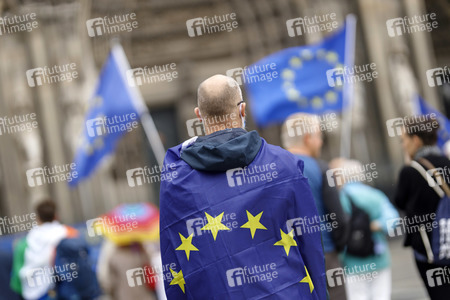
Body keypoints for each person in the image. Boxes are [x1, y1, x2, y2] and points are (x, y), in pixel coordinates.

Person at [160, 75, 327, 299]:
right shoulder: (285, 164)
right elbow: (311, 243)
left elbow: (173, 261)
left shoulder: (176, 180)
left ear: (199, 115)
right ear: (243, 110)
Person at [281, 113, 349, 300]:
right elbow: (339, 218)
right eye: (319, 136)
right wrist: (338, 247)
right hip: (324, 254)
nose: (320, 142)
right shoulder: (321, 168)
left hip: (287, 257)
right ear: (307, 138)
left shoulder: (272, 169)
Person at [394, 116, 450, 299]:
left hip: (430, 251)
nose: (403, 145)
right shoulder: (447, 162)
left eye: (404, 140)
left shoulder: (410, 171)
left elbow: (399, 202)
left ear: (415, 140)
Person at [330, 158, 399, 300]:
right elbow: (393, 219)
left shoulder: (340, 197)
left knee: (357, 296)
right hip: (378, 257)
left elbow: (338, 227)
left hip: (352, 261)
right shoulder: (375, 195)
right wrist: (376, 225)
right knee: (381, 296)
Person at [10, 199, 78, 300]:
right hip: (63, 291)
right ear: (56, 216)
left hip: (32, 294)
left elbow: (16, 279)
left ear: (37, 218)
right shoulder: (69, 234)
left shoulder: (23, 244)